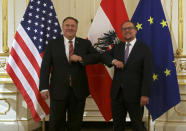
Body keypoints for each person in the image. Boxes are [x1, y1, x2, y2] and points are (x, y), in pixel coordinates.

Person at [39, 16, 100, 131]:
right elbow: (45, 67)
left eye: (73, 26)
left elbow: (97, 57)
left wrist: (81, 58)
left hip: (78, 91)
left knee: (75, 124)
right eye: (67, 25)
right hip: (58, 90)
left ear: (76, 28)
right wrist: (43, 88)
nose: (70, 28)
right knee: (56, 123)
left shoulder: (84, 43)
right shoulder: (53, 44)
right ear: (62, 27)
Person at [102, 21, 152, 131]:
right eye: (124, 29)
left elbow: (148, 74)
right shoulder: (118, 46)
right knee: (118, 125)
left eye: (129, 28)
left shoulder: (144, 48)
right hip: (117, 94)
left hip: (136, 95)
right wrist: (114, 61)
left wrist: (145, 94)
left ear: (135, 30)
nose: (127, 31)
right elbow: (104, 55)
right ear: (122, 32)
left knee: (137, 125)